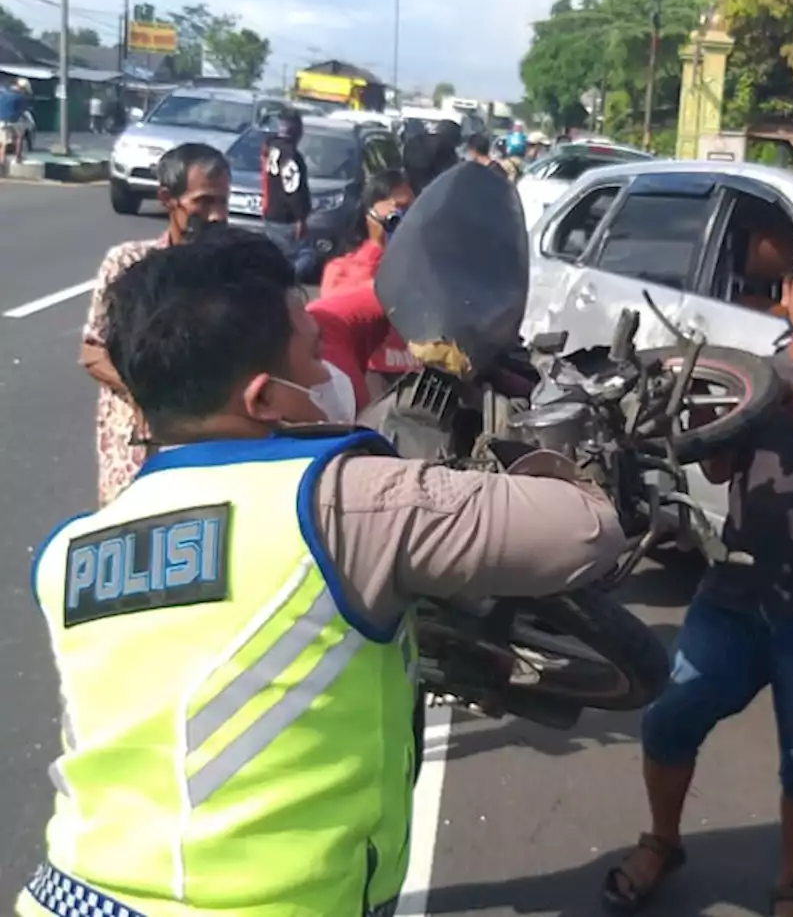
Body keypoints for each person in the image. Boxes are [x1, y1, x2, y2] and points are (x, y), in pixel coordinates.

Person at [19, 228, 627, 917]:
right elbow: (585, 531)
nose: (326, 376)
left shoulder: (66, 552)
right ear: (264, 400)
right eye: (312, 355)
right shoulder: (350, 502)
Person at [602, 236, 793, 917]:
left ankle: (791, 887)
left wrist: (779, 397)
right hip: (733, 594)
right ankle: (661, 841)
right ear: (786, 292)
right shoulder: (761, 366)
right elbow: (716, 466)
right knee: (668, 720)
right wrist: (702, 414)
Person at [80, 142, 231, 507]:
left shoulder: (229, 271)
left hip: (204, 449)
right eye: (203, 202)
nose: (215, 215)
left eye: (223, 202)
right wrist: (145, 396)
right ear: (167, 198)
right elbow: (92, 352)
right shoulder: (128, 263)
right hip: (135, 447)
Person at [319, 168, 414, 296]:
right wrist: (377, 245)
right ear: (370, 215)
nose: (407, 220)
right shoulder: (340, 271)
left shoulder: (425, 261)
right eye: (398, 213)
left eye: (412, 210)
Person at [261, 108, 315, 280]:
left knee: (277, 254)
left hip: (271, 211)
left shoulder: (271, 148)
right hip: (286, 217)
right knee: (306, 255)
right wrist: (300, 217)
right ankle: (284, 281)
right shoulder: (290, 155)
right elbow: (292, 188)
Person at [0, 78, 31, 162]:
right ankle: (18, 157)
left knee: (3, 142)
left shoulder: (3, 94)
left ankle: (1, 162)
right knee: (19, 137)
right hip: (14, 120)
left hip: (2, 120)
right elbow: (23, 110)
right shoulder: (21, 97)